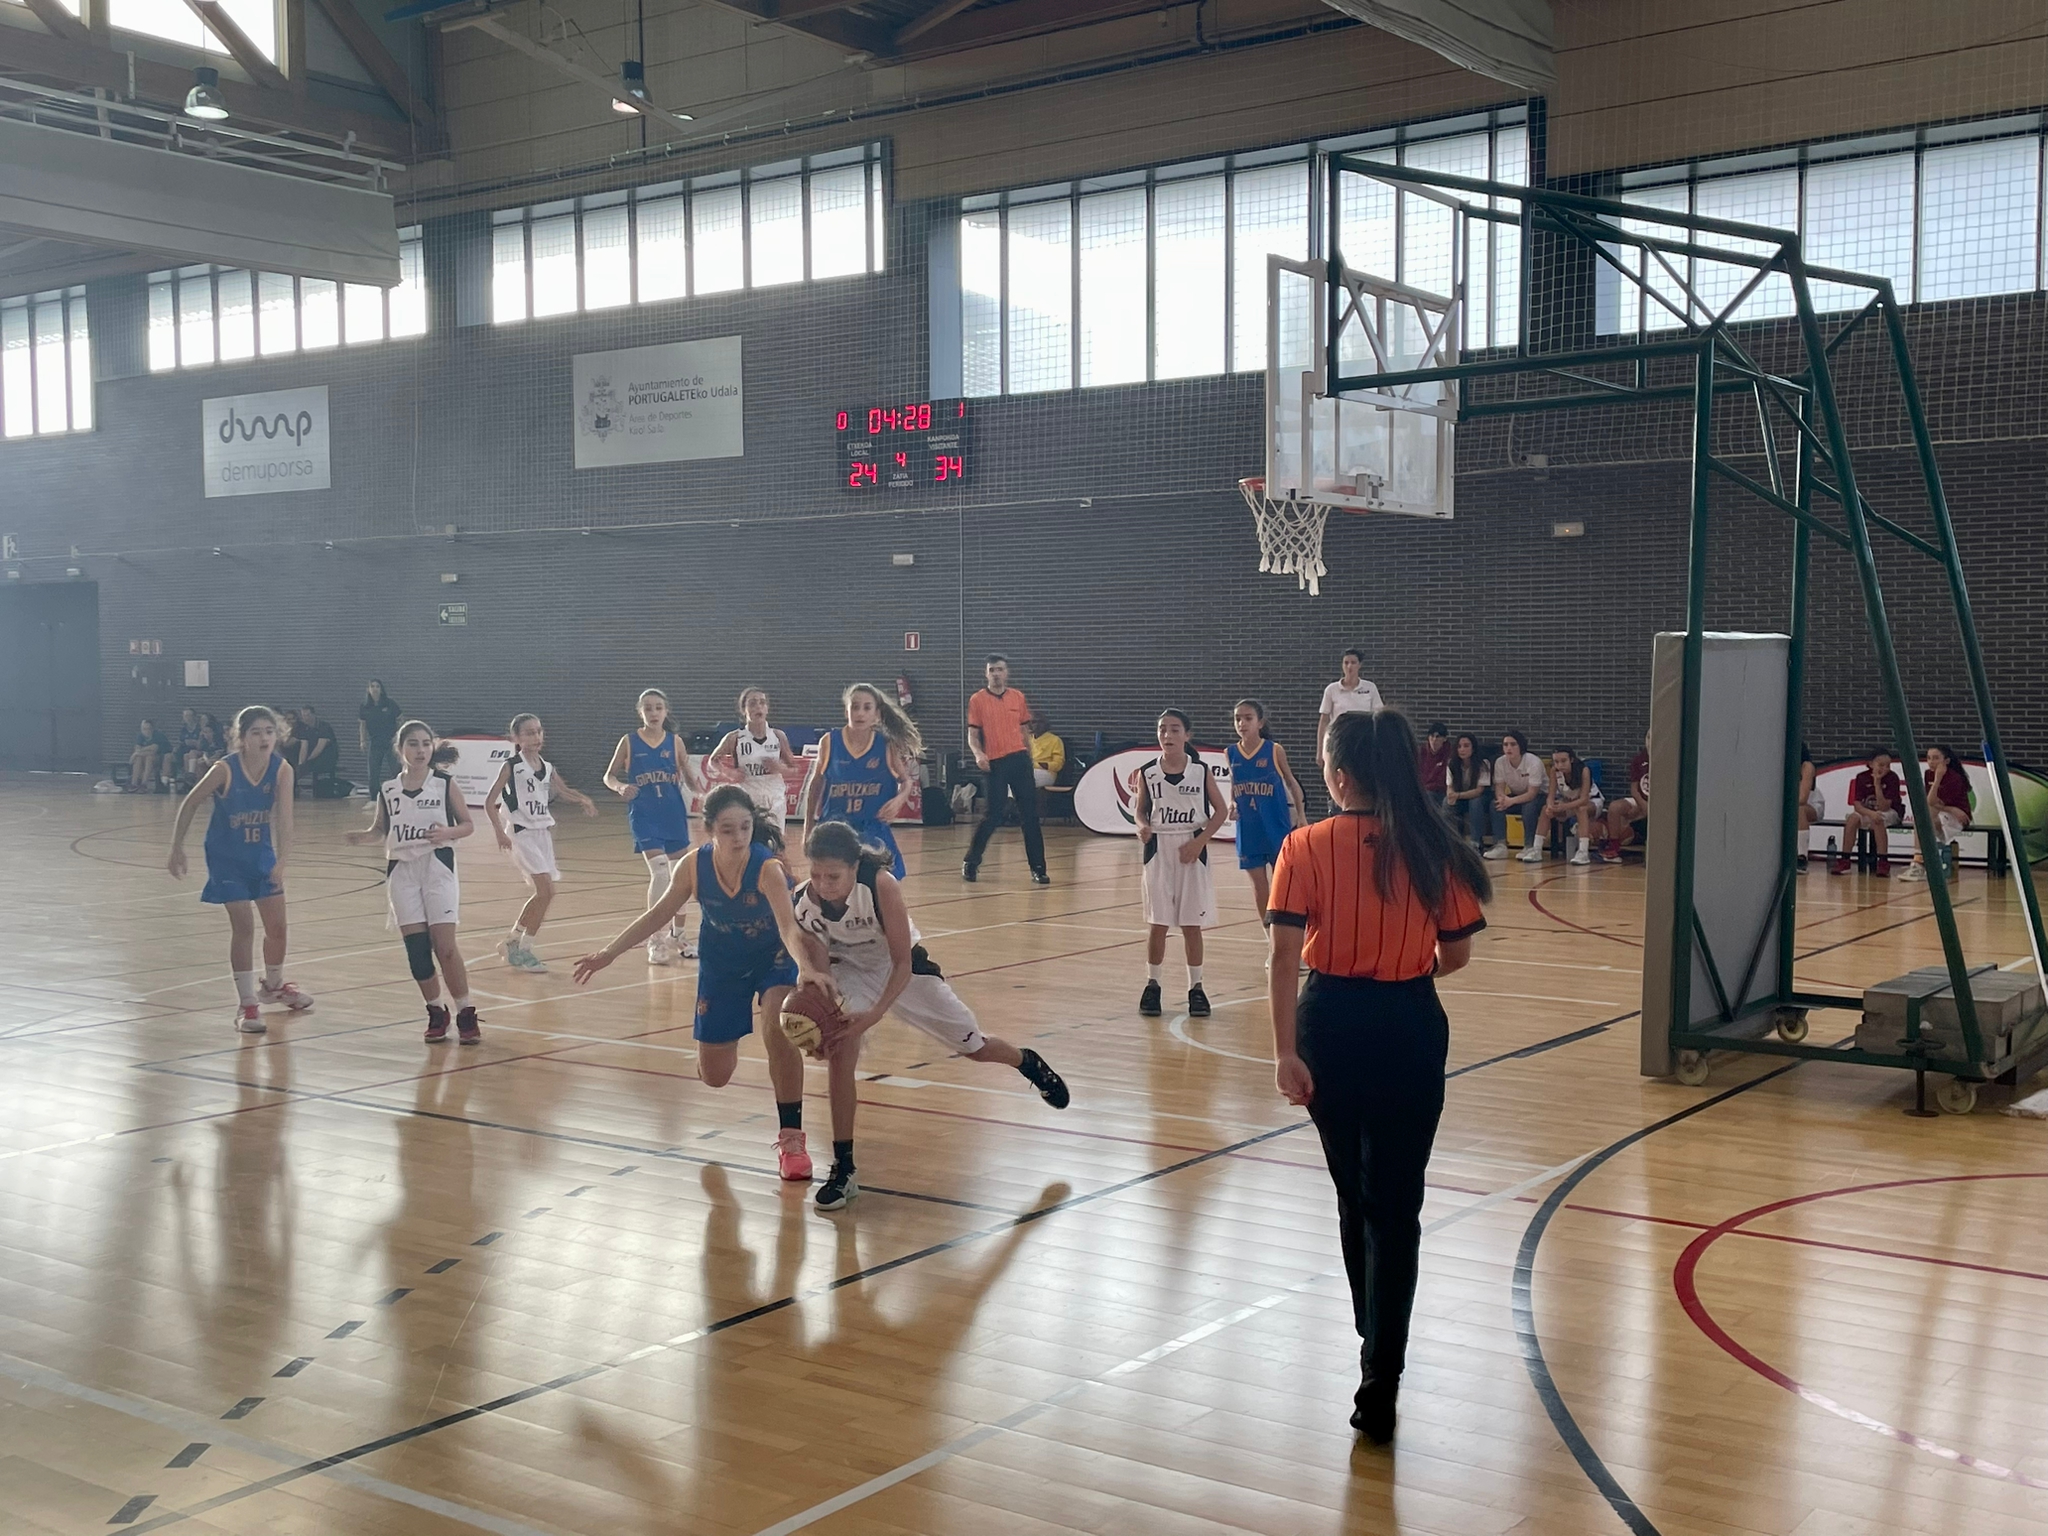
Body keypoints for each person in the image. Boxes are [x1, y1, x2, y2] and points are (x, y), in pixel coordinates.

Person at [1264, 709, 1490, 1445]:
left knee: (1353, 1195)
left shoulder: (1303, 846)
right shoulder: (1434, 846)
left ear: (1337, 776)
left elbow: (1282, 959)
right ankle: (1382, 1370)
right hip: (1409, 1025)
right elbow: (1456, 956)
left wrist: (1285, 1052)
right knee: (1397, 1206)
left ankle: (1372, 1340)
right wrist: (1405, 968)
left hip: (1328, 1025)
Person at [778, 819, 1071, 1212]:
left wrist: (874, 1015)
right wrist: (820, 1026)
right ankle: (844, 1168)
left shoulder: (880, 885)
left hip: (902, 969)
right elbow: (820, 968)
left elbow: (902, 963)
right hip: (850, 968)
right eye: (816, 874)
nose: (824, 884)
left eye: (833, 876)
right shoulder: (805, 902)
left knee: (976, 1048)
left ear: (854, 866)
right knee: (841, 1051)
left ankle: (1027, 1061)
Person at [575, 785, 818, 1182]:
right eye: (727, 829)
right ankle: (711, 1052)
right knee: (716, 1076)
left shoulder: (767, 868)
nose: (738, 837)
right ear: (709, 831)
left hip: (771, 958)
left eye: (745, 827)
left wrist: (805, 967)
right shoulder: (693, 866)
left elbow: (789, 929)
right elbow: (658, 915)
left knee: (779, 1026)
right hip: (722, 963)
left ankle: (792, 1140)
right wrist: (609, 953)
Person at [165, 705, 316, 1033]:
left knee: (278, 927)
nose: (264, 738)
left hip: (260, 855)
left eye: (269, 731)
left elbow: (285, 820)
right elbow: (190, 802)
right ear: (242, 738)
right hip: (226, 857)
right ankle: (247, 1004)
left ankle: (273, 987)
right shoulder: (225, 769)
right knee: (244, 927)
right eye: (256, 732)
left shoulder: (282, 769)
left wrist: (282, 860)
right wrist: (177, 847)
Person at [344, 719, 481, 1044]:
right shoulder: (388, 789)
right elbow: (381, 829)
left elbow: (467, 825)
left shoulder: (443, 784)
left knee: (445, 948)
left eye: (425, 743)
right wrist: (363, 837)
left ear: (432, 747)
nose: (420, 750)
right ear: (400, 749)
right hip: (401, 872)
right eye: (413, 744)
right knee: (418, 952)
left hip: (437, 868)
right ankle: (436, 1011)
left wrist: (448, 832)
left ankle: (465, 1012)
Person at [1134, 709, 1230, 1018]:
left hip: (1191, 847)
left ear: (1187, 735)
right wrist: (1142, 826)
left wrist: (1200, 842)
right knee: (1157, 922)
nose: (1167, 735)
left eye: (1175, 729)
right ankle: (1153, 985)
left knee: (1191, 924)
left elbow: (1220, 811)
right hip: (1158, 849)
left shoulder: (1200, 771)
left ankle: (1196, 988)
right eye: (1162, 729)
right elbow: (1140, 811)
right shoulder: (1148, 772)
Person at [485, 713, 598, 972]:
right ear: (516, 738)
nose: (536, 737)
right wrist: (499, 833)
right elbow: (489, 802)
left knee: (542, 894)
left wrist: (583, 799)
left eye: (538, 731)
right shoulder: (511, 766)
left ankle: (512, 940)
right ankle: (524, 949)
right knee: (547, 892)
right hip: (520, 834)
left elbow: (563, 790)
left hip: (541, 834)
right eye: (529, 733)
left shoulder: (547, 767)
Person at [603, 689, 703, 966]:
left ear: (665, 711)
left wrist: (704, 795)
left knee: (680, 876)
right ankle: (655, 939)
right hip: (645, 814)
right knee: (660, 871)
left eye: (658, 707)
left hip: (672, 813)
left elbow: (689, 777)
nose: (654, 712)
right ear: (640, 712)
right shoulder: (629, 741)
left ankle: (678, 934)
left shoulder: (675, 742)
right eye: (648, 708)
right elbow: (609, 775)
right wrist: (619, 786)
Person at [805, 683, 920, 881]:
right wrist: (808, 827)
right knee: (832, 883)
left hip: (872, 828)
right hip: (836, 827)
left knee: (885, 881)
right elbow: (816, 784)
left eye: (867, 708)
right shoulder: (830, 741)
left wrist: (900, 799)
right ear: (846, 711)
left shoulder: (886, 744)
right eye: (855, 707)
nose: (860, 713)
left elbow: (906, 781)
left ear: (876, 714)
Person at [963, 654, 1049, 885]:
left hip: (1019, 760)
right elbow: (973, 735)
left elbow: (1024, 731)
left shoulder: (1017, 697)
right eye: (992, 670)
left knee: (1030, 815)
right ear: (986, 673)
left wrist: (1029, 757)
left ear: (1006, 672)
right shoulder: (977, 700)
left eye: (1000, 669)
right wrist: (978, 754)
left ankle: (1038, 868)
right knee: (993, 814)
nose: (996, 674)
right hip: (995, 763)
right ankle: (971, 861)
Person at [1228, 699, 1307, 921]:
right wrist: (1232, 804)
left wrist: (1301, 816)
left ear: (1260, 722)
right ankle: (1268, 936)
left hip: (1275, 826)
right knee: (1258, 886)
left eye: (1248, 718)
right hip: (1248, 828)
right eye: (1237, 719)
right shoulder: (1230, 753)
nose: (1242, 723)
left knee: (1283, 883)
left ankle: (1286, 930)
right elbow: (1235, 784)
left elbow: (1291, 782)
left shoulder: (1274, 750)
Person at [714, 687, 802, 831]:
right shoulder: (735, 738)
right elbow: (713, 760)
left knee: (775, 840)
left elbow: (795, 769)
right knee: (749, 838)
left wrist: (781, 769)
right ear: (744, 710)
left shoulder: (778, 736)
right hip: (748, 795)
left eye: (762, 702)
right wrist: (728, 773)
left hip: (774, 797)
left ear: (767, 709)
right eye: (752, 703)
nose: (758, 707)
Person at [1900, 743, 1970, 884]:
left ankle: (1920, 862)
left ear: (1946, 761)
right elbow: (1931, 802)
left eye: (1936, 758)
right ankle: (1921, 861)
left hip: (1959, 817)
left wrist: (1938, 779)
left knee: (1925, 816)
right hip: (1943, 813)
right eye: (1929, 758)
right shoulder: (1928, 774)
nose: (1931, 762)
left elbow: (1931, 802)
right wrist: (1949, 808)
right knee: (1922, 818)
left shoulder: (1954, 777)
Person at [1525, 746, 1603, 866]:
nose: (1560, 765)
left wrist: (1565, 806)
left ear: (1571, 759)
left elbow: (1584, 799)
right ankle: (1536, 849)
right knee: (1545, 809)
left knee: (1581, 809)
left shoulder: (1584, 770)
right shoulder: (1554, 771)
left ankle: (1583, 851)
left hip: (1591, 802)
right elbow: (1550, 796)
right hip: (1568, 802)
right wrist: (1550, 806)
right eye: (1556, 762)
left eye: (1563, 761)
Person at [1833, 749, 1906, 876]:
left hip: (1891, 811)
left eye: (1888, 765)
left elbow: (1884, 807)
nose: (1885, 768)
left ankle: (1883, 862)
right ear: (1871, 764)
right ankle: (1845, 860)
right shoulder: (1861, 777)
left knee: (1878, 819)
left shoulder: (1892, 778)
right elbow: (1857, 806)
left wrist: (1877, 783)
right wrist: (1870, 813)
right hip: (1868, 811)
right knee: (1852, 819)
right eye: (1881, 765)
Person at [1316, 648, 1385, 767]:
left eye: (1353, 663)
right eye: (1346, 663)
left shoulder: (1370, 688)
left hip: (1364, 740)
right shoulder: (1332, 689)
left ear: (1359, 665)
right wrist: (1320, 750)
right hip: (1339, 740)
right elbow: (1324, 720)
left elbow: (1379, 715)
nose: (1349, 666)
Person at [1484, 731, 1545, 861]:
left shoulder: (1533, 762)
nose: (1508, 748)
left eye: (1513, 744)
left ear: (1521, 746)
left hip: (1540, 796)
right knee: (1495, 805)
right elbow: (1499, 788)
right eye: (1505, 745)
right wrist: (1502, 799)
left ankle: (1529, 846)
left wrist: (1510, 801)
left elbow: (1532, 793)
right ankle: (1500, 845)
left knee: (1529, 807)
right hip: (1516, 795)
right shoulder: (1500, 762)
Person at [1602, 737, 1651, 860]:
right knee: (1615, 807)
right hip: (1641, 798)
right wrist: (1642, 804)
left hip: (1660, 800)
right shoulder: (1639, 759)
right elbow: (1634, 788)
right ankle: (1614, 847)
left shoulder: (1667, 758)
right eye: (1649, 738)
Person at [1444, 733, 1492, 849]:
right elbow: (1449, 786)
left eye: (1466, 746)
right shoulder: (1452, 763)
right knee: (1446, 802)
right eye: (1459, 746)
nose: (1462, 749)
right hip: (1460, 796)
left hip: (1480, 797)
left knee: (1475, 802)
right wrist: (1450, 795)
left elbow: (1479, 790)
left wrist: (1457, 795)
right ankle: (1451, 840)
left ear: (1473, 748)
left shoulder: (1483, 763)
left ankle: (1476, 841)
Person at [359, 680, 402, 796]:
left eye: (377, 686)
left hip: (391, 741)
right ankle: (374, 797)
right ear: (368, 689)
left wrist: (399, 737)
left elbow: (400, 720)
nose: (375, 689)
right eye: (372, 686)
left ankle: (399, 793)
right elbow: (362, 725)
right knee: (373, 772)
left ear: (381, 689)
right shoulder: (365, 706)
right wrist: (362, 740)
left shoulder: (390, 703)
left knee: (396, 769)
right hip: (375, 742)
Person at [295, 705, 339, 796]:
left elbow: (319, 748)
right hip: (313, 757)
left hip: (327, 756)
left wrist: (308, 761)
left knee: (312, 766)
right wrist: (301, 763)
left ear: (314, 714)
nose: (306, 718)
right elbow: (304, 747)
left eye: (308, 715)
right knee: (298, 769)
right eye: (303, 716)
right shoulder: (304, 728)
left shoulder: (324, 726)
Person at [1795, 742, 1822, 872]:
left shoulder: (1807, 766)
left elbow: (1802, 799)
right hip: (1791, 805)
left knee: (1799, 810)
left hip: (1812, 805)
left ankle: (1802, 856)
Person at [129, 718, 171, 793]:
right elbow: (137, 748)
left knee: (149, 757)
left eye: (149, 729)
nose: (147, 731)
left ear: (152, 729)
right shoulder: (140, 736)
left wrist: (137, 753)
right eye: (144, 729)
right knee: (138, 758)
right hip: (143, 758)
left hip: (160, 759)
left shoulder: (158, 735)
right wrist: (140, 752)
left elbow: (154, 749)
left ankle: (144, 784)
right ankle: (134, 783)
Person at [1416, 722, 1451, 800]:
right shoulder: (1421, 752)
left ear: (1444, 739)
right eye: (1432, 736)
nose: (1434, 740)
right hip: (1422, 790)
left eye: (1438, 737)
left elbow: (1443, 781)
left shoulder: (1449, 753)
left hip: (1441, 792)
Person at [1030, 717, 1066, 790]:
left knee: (1025, 778)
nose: (1037, 725)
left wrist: (1046, 765)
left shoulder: (1055, 740)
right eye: (1033, 722)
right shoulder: (1027, 739)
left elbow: (1058, 764)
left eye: (1040, 722)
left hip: (1046, 772)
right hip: (1028, 769)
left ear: (1046, 725)